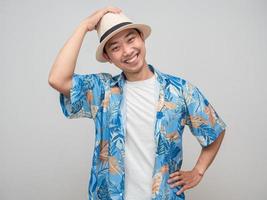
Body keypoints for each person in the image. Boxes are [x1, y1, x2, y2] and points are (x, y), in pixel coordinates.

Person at [48, 6, 227, 200]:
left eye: (131, 39)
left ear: (142, 38)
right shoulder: (102, 91)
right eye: (115, 47)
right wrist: (84, 26)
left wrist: (198, 170)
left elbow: (215, 128)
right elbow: (58, 79)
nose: (127, 51)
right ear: (108, 57)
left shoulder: (180, 90)